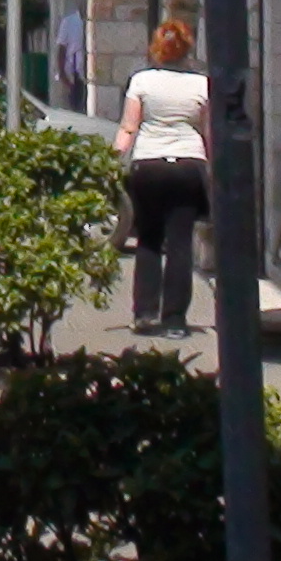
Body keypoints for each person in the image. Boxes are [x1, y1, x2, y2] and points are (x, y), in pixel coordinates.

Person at [116, 20, 212, 337]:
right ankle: (175, 320)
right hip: (188, 165)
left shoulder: (141, 81)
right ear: (188, 48)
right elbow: (208, 132)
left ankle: (145, 313)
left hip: (149, 164)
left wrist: (113, 160)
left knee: (149, 239)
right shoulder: (202, 85)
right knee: (181, 243)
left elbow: (129, 127)